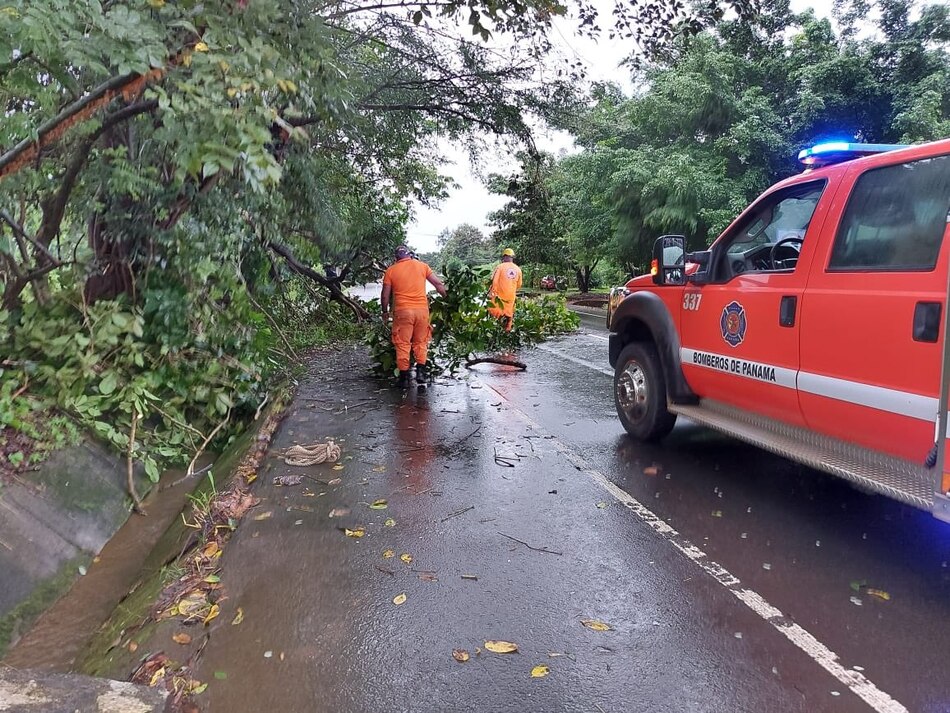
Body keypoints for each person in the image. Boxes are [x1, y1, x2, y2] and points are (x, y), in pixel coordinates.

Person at [381, 245, 447, 387]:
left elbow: (385, 294)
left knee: (403, 344)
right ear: (410, 255)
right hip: (422, 312)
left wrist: (385, 311)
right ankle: (421, 373)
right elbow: (438, 283)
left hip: (403, 312)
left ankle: (404, 379)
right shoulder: (422, 266)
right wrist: (448, 301)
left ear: (396, 258)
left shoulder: (391, 270)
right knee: (421, 342)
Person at [488, 247, 523, 331]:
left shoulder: (499, 267)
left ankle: (495, 330)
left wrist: (491, 292)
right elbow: (519, 285)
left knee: (495, 314)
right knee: (509, 315)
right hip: (510, 297)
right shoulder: (518, 269)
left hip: (498, 297)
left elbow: (494, 280)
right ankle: (507, 330)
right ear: (512, 258)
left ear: (504, 257)